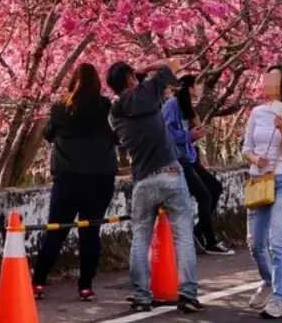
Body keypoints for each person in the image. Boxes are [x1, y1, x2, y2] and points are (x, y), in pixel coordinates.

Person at [107, 59, 204, 314]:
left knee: (140, 239)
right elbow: (173, 63)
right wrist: (147, 68)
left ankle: (141, 296)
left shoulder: (114, 114)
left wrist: (136, 78)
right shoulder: (148, 92)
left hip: (142, 179)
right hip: (170, 172)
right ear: (130, 79)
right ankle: (188, 294)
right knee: (183, 235)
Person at [32, 63, 120, 302]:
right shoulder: (105, 107)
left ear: (72, 81)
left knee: (56, 231)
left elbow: (48, 135)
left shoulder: (61, 107)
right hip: (100, 180)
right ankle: (85, 287)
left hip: (67, 179)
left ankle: (38, 282)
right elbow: (118, 137)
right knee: (90, 231)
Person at [242, 65, 282, 319]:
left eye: (272, 77)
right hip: (258, 182)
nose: (265, 81)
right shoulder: (256, 113)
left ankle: (279, 298)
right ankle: (268, 281)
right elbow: (246, 147)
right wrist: (254, 158)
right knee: (256, 244)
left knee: (276, 240)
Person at [162, 75, 232, 256]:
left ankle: (199, 229)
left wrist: (196, 134)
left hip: (191, 158)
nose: (200, 88)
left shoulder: (187, 108)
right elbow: (167, 134)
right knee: (204, 196)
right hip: (178, 162)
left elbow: (187, 132)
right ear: (190, 88)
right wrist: (189, 136)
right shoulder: (172, 105)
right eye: (197, 85)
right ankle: (210, 240)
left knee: (215, 188)